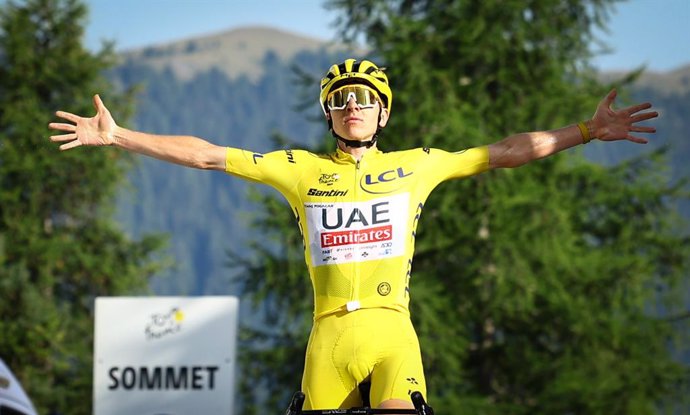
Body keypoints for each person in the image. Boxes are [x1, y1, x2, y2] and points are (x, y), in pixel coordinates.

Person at [48, 58, 658, 411]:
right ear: (329, 113)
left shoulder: (417, 165)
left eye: (366, 99)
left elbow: (502, 152)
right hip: (329, 337)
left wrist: (584, 129)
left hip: (393, 332)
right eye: (341, 100)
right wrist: (120, 136)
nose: (353, 107)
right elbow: (209, 156)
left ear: (384, 111)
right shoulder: (300, 171)